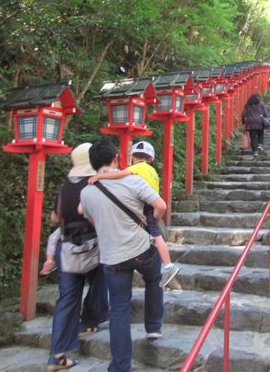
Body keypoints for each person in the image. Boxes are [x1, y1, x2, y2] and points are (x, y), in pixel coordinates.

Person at [80, 140, 167, 372]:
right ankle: (153, 325)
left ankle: (119, 366)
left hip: (112, 256)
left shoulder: (87, 192)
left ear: (93, 165)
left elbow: (88, 216)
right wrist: (152, 221)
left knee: (119, 308)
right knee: (154, 278)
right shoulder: (133, 181)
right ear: (117, 158)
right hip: (141, 249)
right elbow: (160, 205)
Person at [47, 143, 108, 371]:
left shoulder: (64, 188)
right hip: (95, 245)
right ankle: (90, 321)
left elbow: (54, 217)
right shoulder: (95, 185)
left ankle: (57, 355)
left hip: (67, 249)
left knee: (66, 301)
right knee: (102, 280)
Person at [88, 141, 179, 287]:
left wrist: (99, 177)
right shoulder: (153, 171)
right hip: (152, 201)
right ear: (151, 159)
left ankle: (166, 265)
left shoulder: (136, 167)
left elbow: (120, 174)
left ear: (133, 157)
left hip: (144, 204)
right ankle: (168, 265)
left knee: (151, 234)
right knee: (157, 237)